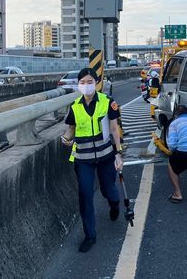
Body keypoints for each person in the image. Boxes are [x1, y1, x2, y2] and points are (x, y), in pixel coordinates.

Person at [60, 68, 123, 253]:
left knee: (108, 189)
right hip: (83, 158)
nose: (86, 85)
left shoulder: (107, 102)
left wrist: (118, 154)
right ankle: (90, 235)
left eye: (90, 82)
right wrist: (65, 138)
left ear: (96, 83)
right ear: (79, 84)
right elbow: (71, 129)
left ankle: (114, 203)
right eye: (83, 82)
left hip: (105, 155)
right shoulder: (75, 106)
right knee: (85, 195)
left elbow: (114, 129)